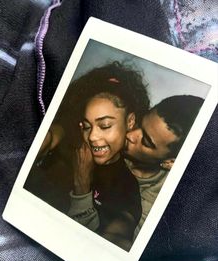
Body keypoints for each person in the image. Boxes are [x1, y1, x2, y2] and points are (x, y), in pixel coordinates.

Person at [69, 95, 204, 244]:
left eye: (145, 141)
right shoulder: (114, 136)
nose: (131, 135)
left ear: (170, 162)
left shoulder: (157, 205)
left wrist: (81, 188)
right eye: (139, 123)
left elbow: (113, 242)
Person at [57, 61, 150, 251]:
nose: (92, 137)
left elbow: (116, 237)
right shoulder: (68, 150)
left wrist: (81, 189)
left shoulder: (127, 185)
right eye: (87, 126)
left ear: (130, 121)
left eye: (105, 125)